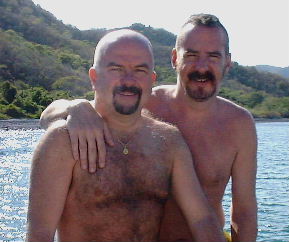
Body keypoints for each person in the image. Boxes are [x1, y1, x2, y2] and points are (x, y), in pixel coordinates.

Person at [40, 14, 258, 242]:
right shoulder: (142, 101)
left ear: (227, 61)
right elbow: (48, 117)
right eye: (191, 55)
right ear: (175, 58)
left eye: (213, 56)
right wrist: (74, 107)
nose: (201, 67)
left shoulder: (239, 125)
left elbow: (243, 211)